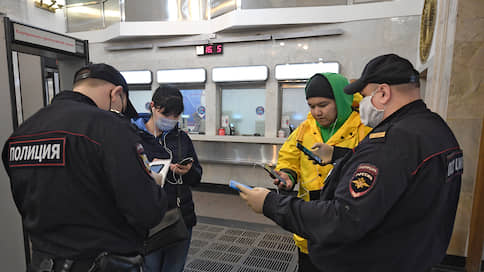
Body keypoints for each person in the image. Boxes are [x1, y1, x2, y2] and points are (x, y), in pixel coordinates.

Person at [237, 54, 463, 272]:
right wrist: (298, 170)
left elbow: (344, 217)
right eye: (312, 106)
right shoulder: (437, 130)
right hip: (409, 253)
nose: (317, 111)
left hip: (373, 255)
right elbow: (392, 181)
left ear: (383, 92)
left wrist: (270, 203)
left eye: (365, 96)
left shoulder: (387, 141)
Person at [1, 63, 168, 272]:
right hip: (102, 264)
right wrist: (151, 183)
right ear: (116, 94)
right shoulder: (109, 127)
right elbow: (148, 211)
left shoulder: (20, 135)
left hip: (41, 263)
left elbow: (27, 201)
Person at [273, 72, 371, 271]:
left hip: (344, 224)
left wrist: (339, 155)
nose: (317, 112)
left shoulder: (365, 129)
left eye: (323, 105)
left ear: (341, 100)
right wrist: (287, 175)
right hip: (309, 222)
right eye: (311, 106)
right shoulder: (304, 130)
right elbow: (289, 158)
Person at [132, 86, 202, 272]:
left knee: (174, 268)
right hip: (148, 219)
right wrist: (149, 170)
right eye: (166, 114)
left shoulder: (182, 138)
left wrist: (187, 171)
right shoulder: (133, 137)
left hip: (180, 217)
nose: (171, 120)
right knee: (150, 268)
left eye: (176, 115)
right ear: (153, 106)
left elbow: (197, 176)